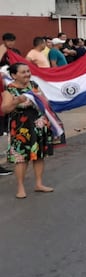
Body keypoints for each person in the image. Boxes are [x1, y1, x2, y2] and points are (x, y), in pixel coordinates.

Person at [2, 63, 55, 199]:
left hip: (38, 124)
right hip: (21, 127)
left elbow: (44, 101)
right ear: (14, 75)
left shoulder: (33, 85)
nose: (27, 74)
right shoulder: (9, 91)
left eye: (28, 71)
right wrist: (17, 101)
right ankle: (20, 187)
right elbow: (4, 109)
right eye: (23, 72)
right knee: (21, 158)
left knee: (39, 155)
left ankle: (39, 184)